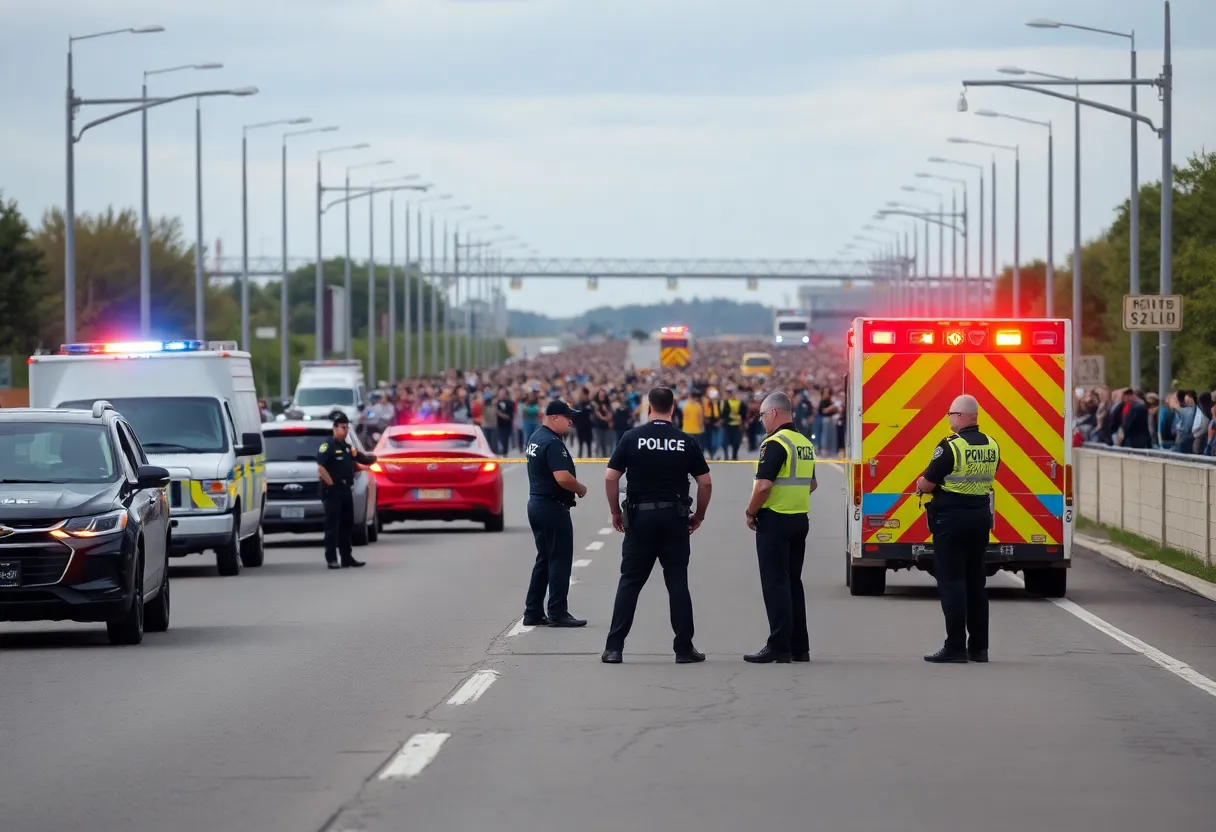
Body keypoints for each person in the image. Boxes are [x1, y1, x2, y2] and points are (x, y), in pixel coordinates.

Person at [601, 387, 713, 664]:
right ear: (673, 409)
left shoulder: (631, 438)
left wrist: (615, 511)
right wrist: (699, 515)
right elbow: (705, 482)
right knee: (677, 583)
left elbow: (611, 477)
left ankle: (614, 648)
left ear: (648, 408)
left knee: (630, 582)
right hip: (674, 519)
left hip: (640, 519)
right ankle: (684, 649)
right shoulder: (685, 441)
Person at [916, 394, 999, 663]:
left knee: (952, 583)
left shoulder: (950, 446)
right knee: (976, 583)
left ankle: (954, 647)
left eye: (951, 414)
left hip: (952, 520)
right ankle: (979, 648)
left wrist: (919, 483)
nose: (949, 419)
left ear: (961, 417)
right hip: (980, 518)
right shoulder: (992, 444)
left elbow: (928, 483)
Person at [742, 391, 817, 663]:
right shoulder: (804, 443)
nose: (761, 421)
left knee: (775, 583)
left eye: (762, 415)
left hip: (775, 519)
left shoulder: (775, 443)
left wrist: (751, 512)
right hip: (799, 519)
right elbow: (812, 484)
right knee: (793, 582)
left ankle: (778, 645)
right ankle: (799, 647)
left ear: (773, 412)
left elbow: (763, 485)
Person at [523, 400, 590, 628]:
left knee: (545, 558)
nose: (570, 422)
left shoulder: (536, 437)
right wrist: (580, 488)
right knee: (560, 559)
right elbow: (562, 477)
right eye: (567, 417)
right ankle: (558, 611)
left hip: (537, 504)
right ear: (554, 417)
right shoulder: (552, 443)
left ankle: (533, 611)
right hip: (552, 507)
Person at [316, 412, 377, 570]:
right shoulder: (328, 445)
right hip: (333, 490)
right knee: (332, 526)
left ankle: (346, 557)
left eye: (347, 428)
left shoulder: (346, 447)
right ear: (335, 428)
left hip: (345, 489)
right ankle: (331, 558)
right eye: (343, 428)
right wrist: (331, 485)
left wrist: (372, 459)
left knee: (346, 524)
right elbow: (321, 468)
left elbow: (359, 458)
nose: (345, 430)